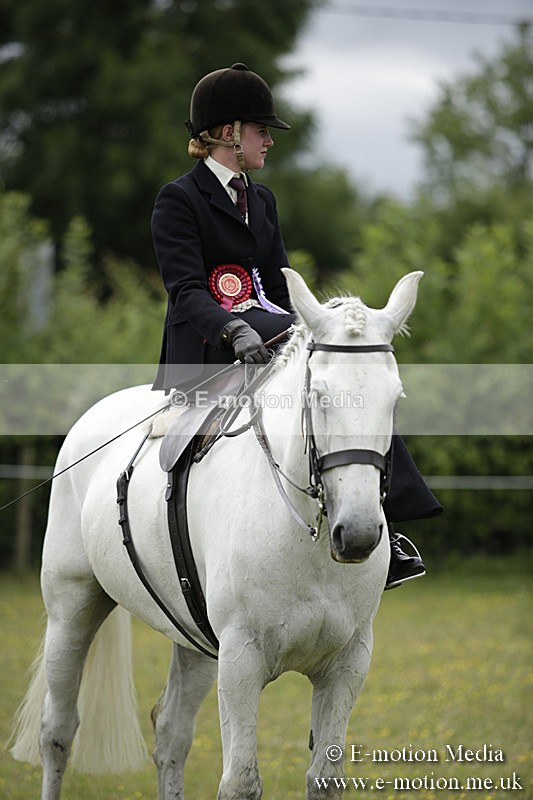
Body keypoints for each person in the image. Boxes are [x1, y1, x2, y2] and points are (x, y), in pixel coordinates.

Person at [151, 62, 441, 588]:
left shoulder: (261, 199)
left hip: (270, 336)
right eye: (261, 130)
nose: (269, 140)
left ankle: (390, 528)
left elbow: (279, 286)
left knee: (357, 381)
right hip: (206, 349)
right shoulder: (179, 199)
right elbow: (186, 291)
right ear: (228, 133)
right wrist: (233, 330)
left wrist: (316, 330)